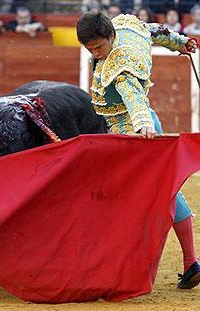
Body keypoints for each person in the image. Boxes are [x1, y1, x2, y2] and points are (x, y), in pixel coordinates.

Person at [76, 12, 200, 289]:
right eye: (89, 48)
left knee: (122, 199)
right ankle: (191, 262)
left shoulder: (121, 66)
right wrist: (180, 43)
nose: (96, 54)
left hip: (131, 134)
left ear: (111, 36)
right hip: (138, 129)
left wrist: (142, 125)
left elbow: (132, 95)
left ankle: (119, 268)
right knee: (168, 192)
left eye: (99, 47)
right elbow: (154, 30)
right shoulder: (127, 27)